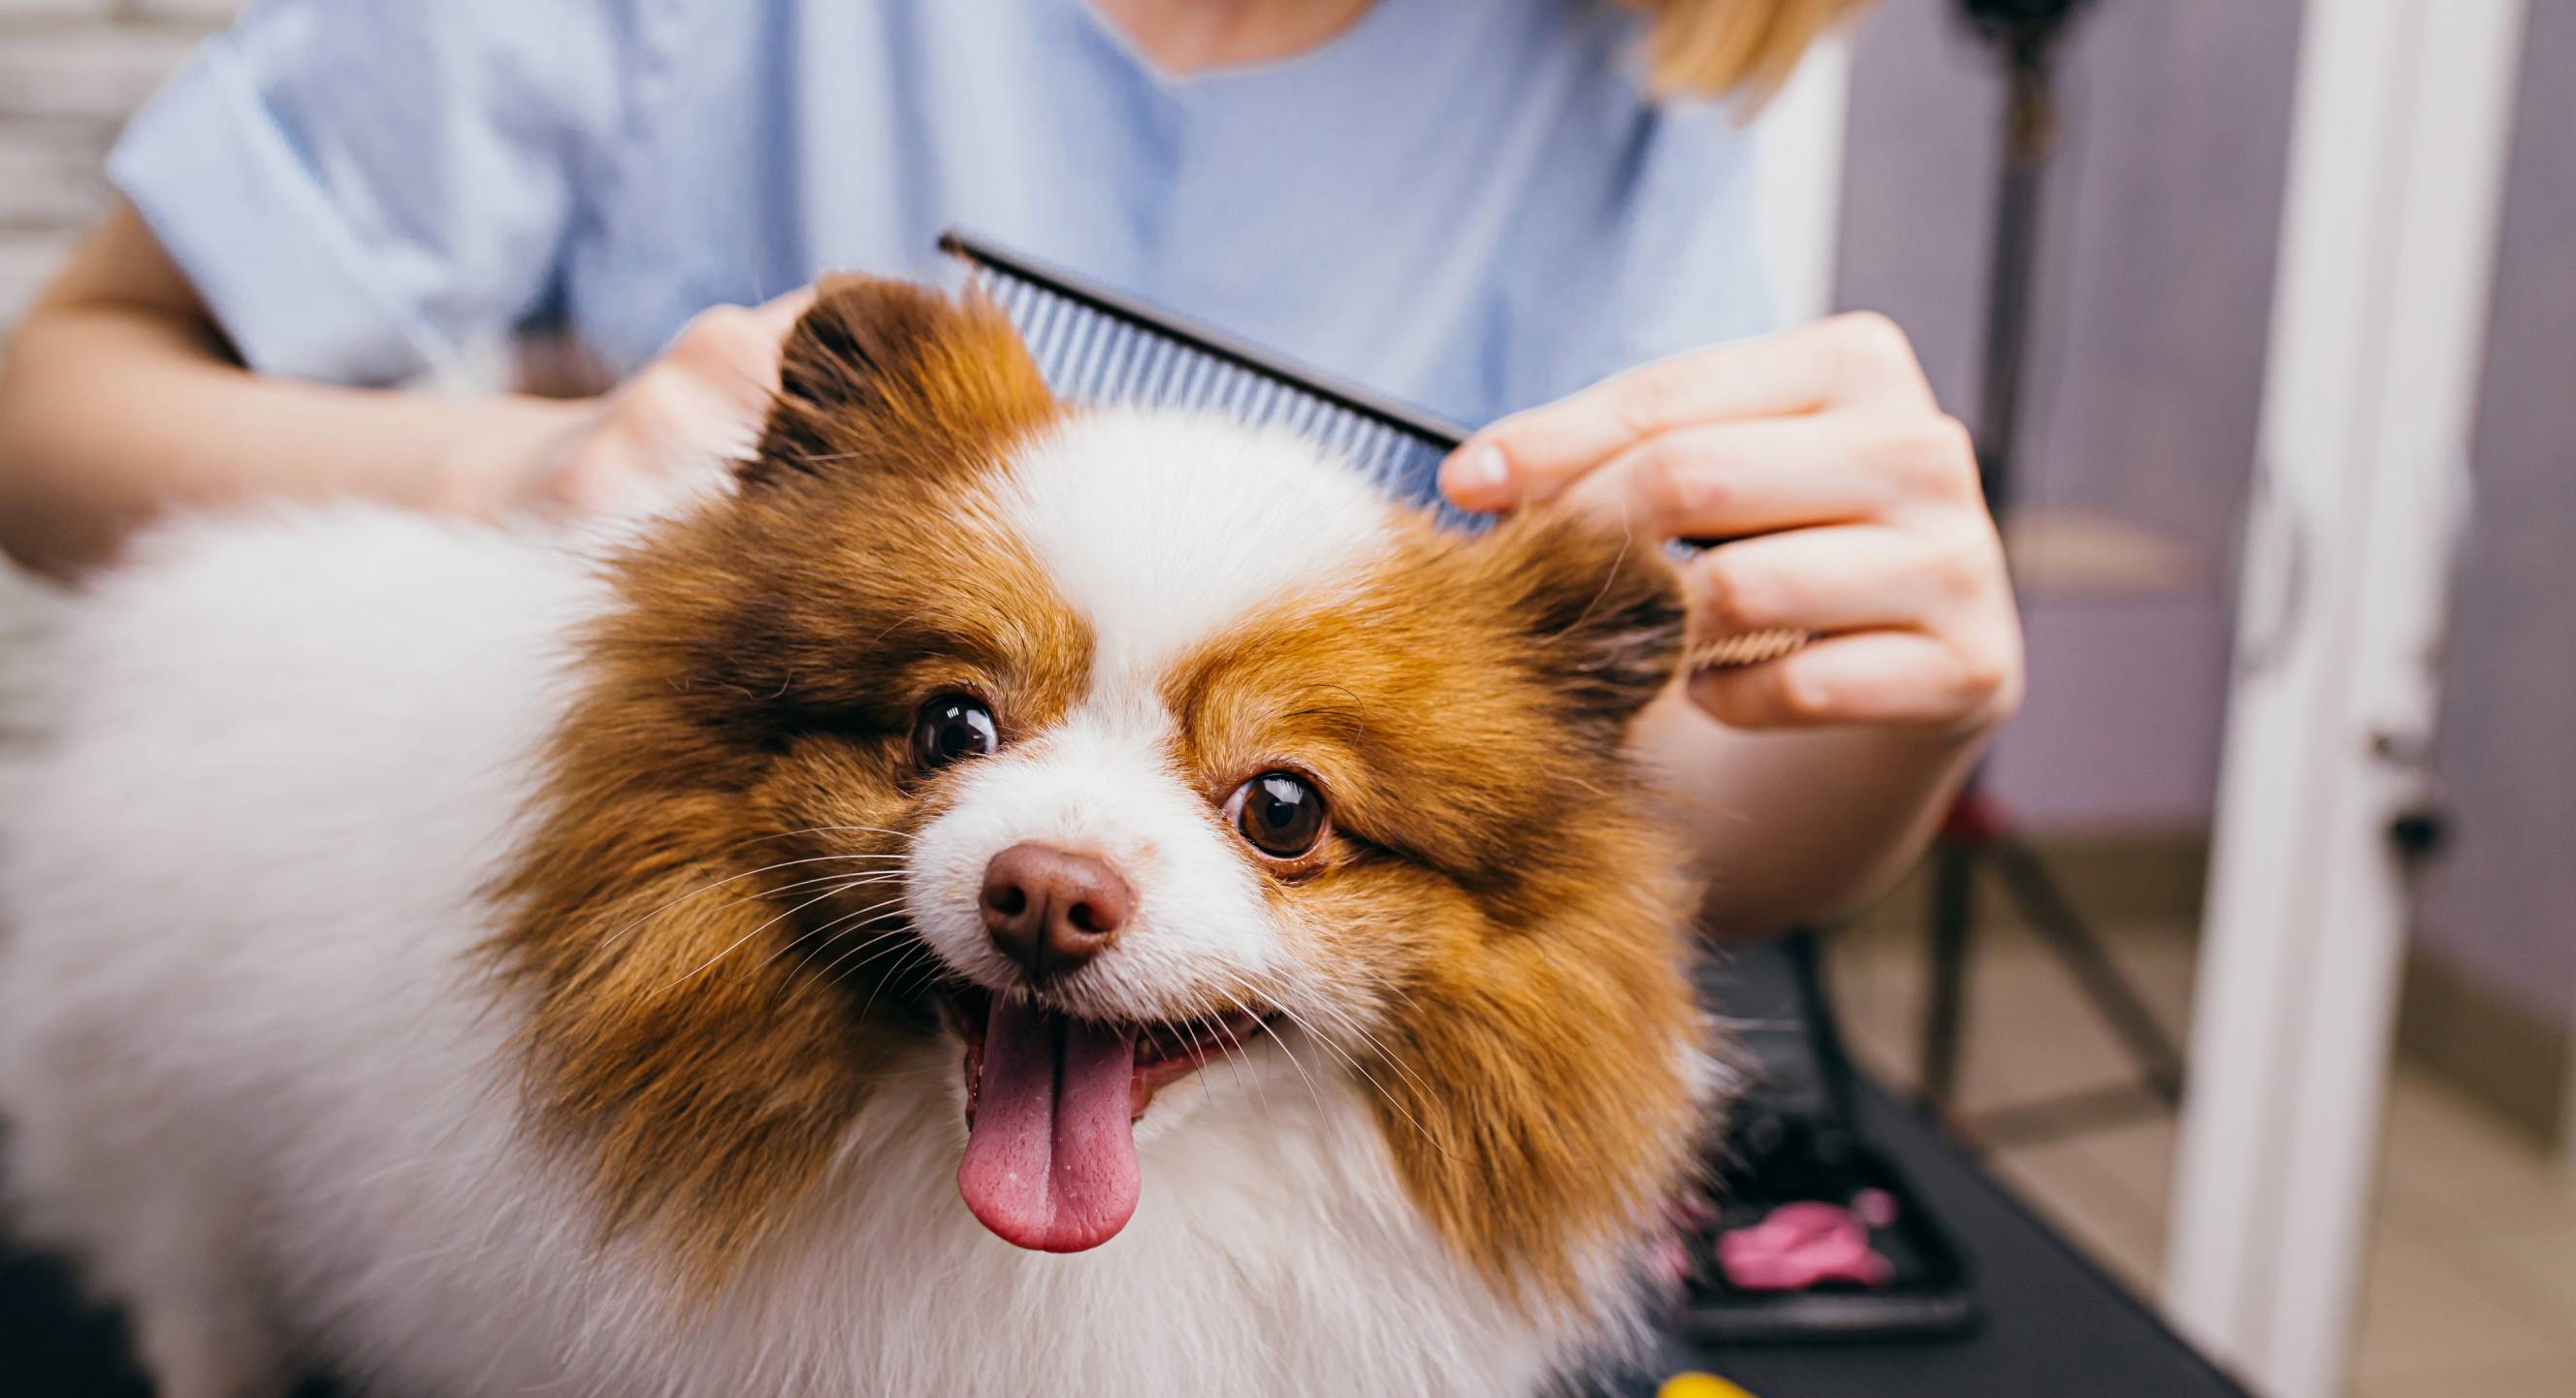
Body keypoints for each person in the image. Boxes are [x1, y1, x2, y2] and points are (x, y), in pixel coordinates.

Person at [0, 0, 2021, 938]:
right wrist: (535, 475)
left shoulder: (1626, 78)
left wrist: (1900, 723)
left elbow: (1658, 840)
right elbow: (50, 408)